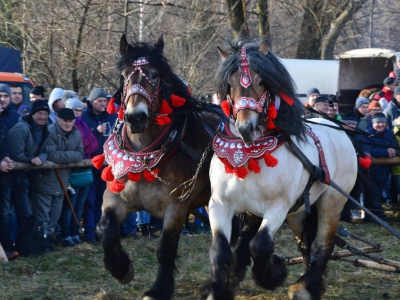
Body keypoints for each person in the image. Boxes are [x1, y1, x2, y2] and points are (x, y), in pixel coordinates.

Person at [30, 108, 83, 248]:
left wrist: (65, 157)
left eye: (70, 121)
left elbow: (80, 153)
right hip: (45, 179)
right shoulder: (50, 131)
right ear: (58, 119)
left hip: (62, 180)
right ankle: (40, 241)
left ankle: (48, 239)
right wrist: (70, 157)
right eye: (65, 121)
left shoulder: (76, 133)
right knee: (43, 214)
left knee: (55, 213)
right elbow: (51, 154)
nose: (68, 124)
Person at [5, 100, 51, 251]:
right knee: (7, 213)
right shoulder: (21, 129)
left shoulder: (45, 130)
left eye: (45, 114)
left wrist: (40, 159)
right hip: (9, 175)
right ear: (33, 114)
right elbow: (15, 154)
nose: (43, 117)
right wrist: (31, 160)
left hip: (24, 177)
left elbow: (45, 150)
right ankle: (8, 245)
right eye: (40, 113)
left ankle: (24, 244)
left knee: (25, 212)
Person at [59, 99, 98, 247]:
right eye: (75, 110)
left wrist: (81, 152)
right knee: (70, 205)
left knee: (80, 205)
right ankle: (66, 234)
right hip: (72, 171)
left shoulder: (84, 125)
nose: (78, 114)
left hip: (84, 168)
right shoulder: (69, 129)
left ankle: (75, 233)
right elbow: (76, 147)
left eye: (80, 110)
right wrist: (80, 152)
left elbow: (93, 143)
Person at [82, 87, 117, 243]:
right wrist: (95, 131)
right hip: (90, 164)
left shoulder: (111, 116)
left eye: (105, 101)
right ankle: (89, 233)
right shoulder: (84, 117)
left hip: (107, 166)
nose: (103, 104)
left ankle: (101, 232)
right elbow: (82, 138)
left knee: (103, 202)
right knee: (90, 202)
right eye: (99, 101)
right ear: (91, 102)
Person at [364, 113, 398, 222]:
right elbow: (369, 151)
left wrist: (394, 151)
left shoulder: (389, 133)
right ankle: (380, 217)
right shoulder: (367, 134)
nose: (380, 124)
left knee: (377, 193)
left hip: (384, 171)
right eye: (378, 122)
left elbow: (395, 148)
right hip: (371, 171)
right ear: (373, 123)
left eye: (383, 122)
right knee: (373, 195)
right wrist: (386, 152)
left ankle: (370, 218)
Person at [0, 91, 18, 260]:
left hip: (4, 176)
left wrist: (5, 156)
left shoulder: (2, 123)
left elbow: (4, 144)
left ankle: (6, 248)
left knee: (5, 212)